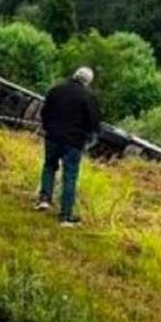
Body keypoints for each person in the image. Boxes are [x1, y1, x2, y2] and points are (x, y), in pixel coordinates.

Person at [35, 66, 101, 227]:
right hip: (74, 142)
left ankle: (44, 199)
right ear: (88, 82)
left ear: (74, 75)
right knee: (69, 176)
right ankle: (65, 216)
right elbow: (94, 122)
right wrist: (91, 138)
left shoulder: (56, 89)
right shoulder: (89, 97)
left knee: (49, 166)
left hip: (52, 136)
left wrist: (47, 127)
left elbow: (44, 112)